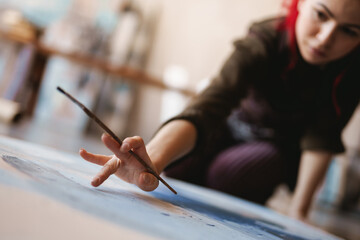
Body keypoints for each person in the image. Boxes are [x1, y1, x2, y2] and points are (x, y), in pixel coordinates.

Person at [79, 0, 360, 221]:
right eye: (321, 14)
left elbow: (322, 137)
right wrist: (154, 160)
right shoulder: (265, 38)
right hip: (225, 128)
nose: (325, 38)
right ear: (299, 2)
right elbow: (211, 103)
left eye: (349, 30)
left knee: (229, 174)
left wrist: (300, 212)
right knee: (178, 164)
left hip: (273, 151)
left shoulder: (351, 70)